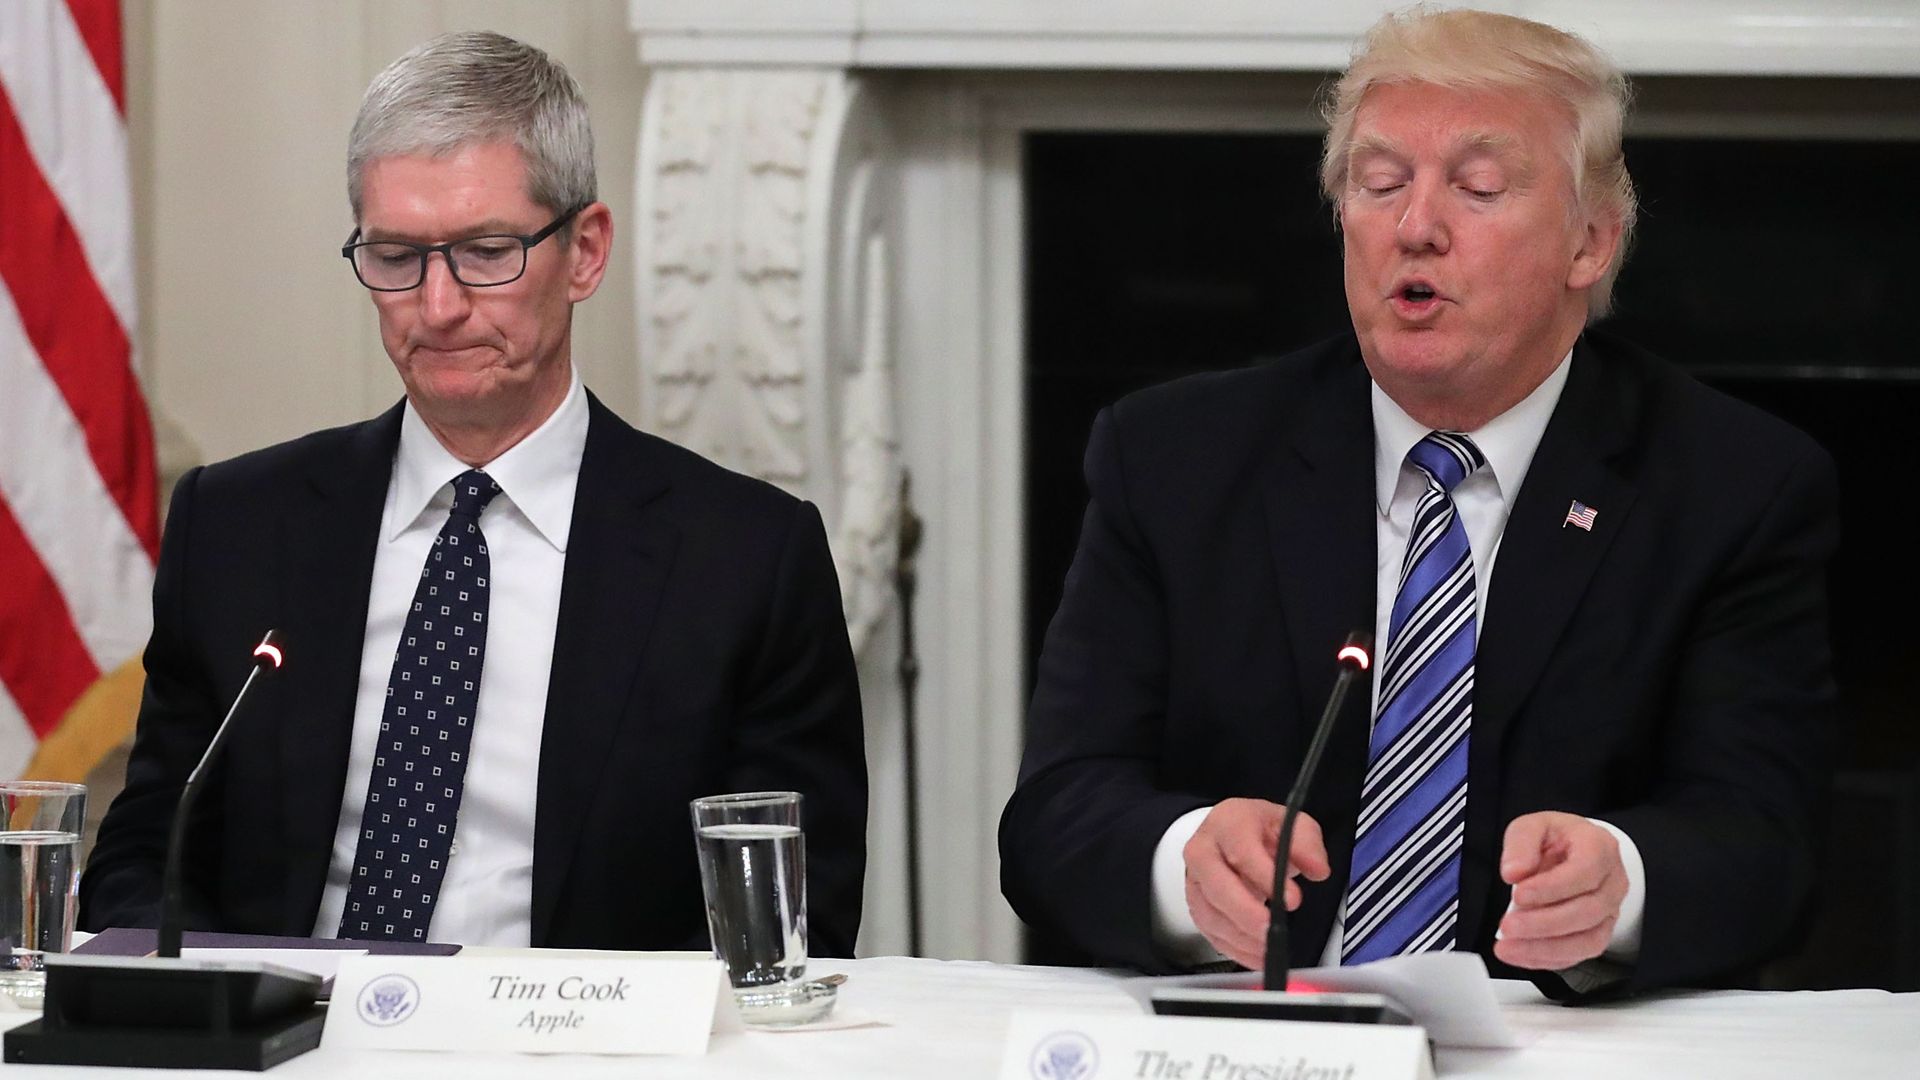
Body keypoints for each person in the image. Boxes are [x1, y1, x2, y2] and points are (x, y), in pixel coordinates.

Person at [1000, 7, 1836, 999]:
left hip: (1556, 1050)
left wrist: (1626, 881)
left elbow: (1767, 843)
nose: (1416, 227)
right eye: (1380, 183)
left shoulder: (1732, 485)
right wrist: (1184, 862)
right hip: (1252, 1043)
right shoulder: (1174, 459)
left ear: (1590, 242)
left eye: (1478, 188)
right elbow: (1055, 814)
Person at [80, 31, 867, 955]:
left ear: (584, 252)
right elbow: (143, 854)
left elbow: (784, 917)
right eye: (396, 256)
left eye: (487, 252)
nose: (439, 305)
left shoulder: (745, 562)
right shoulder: (238, 525)